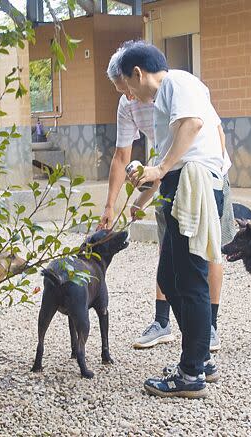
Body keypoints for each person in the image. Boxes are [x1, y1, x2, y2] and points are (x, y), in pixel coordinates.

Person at [98, 43, 233, 353]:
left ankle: (195, 365)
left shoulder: (179, 82)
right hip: (177, 184)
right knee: (172, 276)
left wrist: (161, 168)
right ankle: (196, 351)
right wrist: (141, 198)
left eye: (128, 86)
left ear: (137, 73)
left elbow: (195, 125)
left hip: (196, 184)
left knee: (192, 275)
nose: (128, 95)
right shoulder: (161, 98)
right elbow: (161, 158)